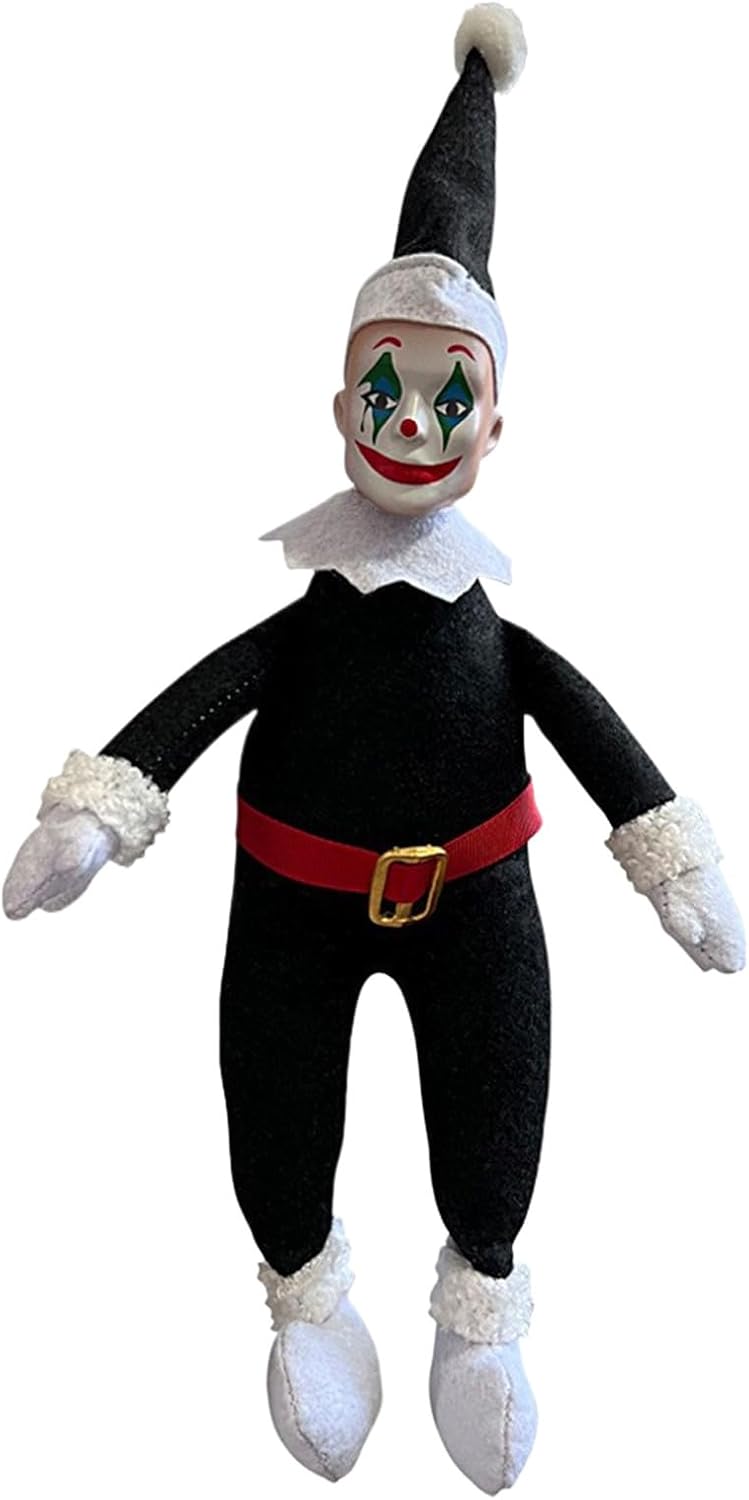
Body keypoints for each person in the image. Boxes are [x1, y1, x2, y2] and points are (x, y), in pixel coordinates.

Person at [4, 6, 744, 1492]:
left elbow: (581, 717)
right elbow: (208, 691)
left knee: (497, 1103)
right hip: (289, 904)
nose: (414, 419)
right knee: (276, 1106)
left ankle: (481, 1314)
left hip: (480, 900)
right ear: (340, 400)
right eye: (387, 386)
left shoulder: (494, 625)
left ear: (495, 421)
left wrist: (668, 858)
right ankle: (305, 1296)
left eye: (449, 393)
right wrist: (104, 808)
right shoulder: (308, 611)